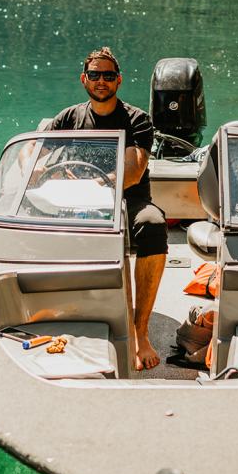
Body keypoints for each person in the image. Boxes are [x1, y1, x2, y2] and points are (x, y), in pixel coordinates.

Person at [45, 46, 167, 370]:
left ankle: (139, 330)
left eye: (108, 75)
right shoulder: (67, 119)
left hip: (130, 198)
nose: (102, 81)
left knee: (153, 225)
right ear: (84, 79)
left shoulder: (137, 119)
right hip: (78, 200)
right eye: (95, 75)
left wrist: (97, 184)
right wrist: (58, 175)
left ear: (119, 80)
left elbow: (134, 171)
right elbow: (37, 161)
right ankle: (60, 316)